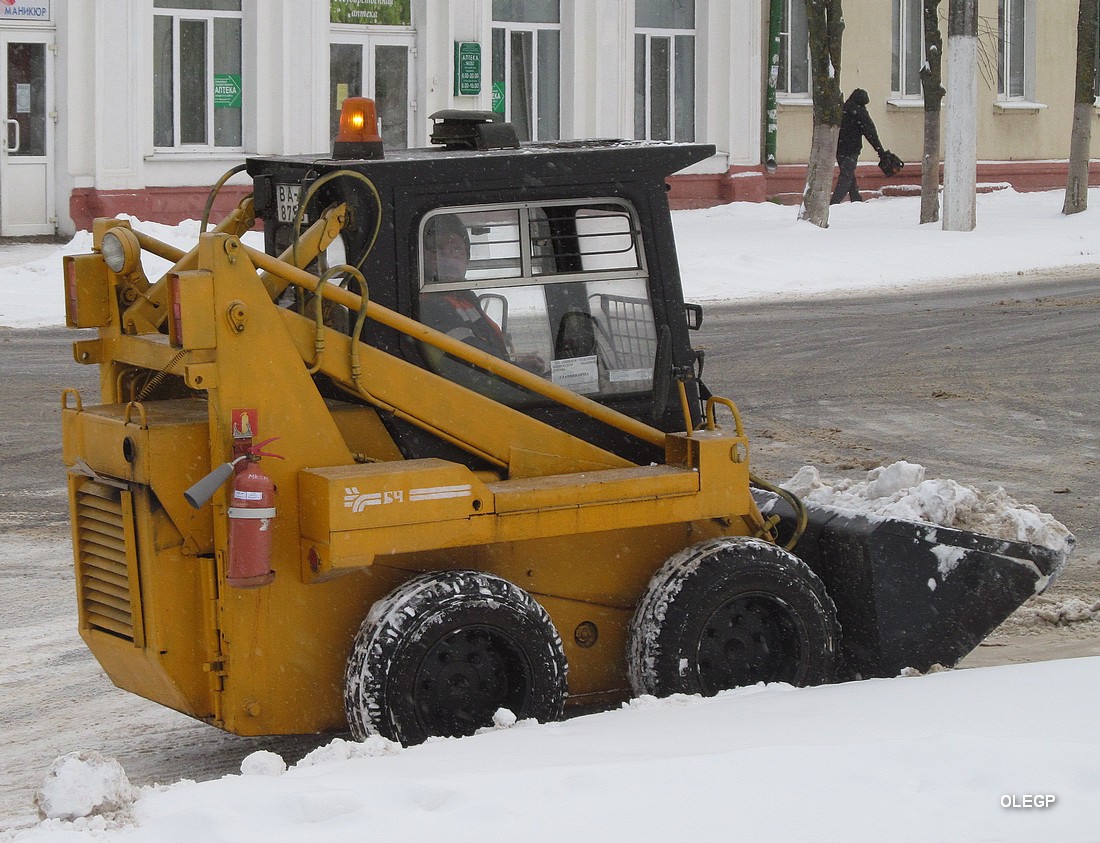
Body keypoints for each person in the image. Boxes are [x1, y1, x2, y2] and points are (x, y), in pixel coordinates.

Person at [418, 214, 509, 357]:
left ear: (467, 257)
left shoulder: (464, 297)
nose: (449, 256)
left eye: (456, 248)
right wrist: (513, 370)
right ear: (423, 257)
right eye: (439, 250)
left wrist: (518, 365)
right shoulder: (429, 303)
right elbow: (471, 360)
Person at [830, 88, 886, 205]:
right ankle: (834, 202)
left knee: (848, 173)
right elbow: (870, 132)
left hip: (839, 148)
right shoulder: (859, 112)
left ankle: (856, 198)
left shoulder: (842, 109)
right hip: (852, 149)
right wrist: (880, 150)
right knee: (846, 175)